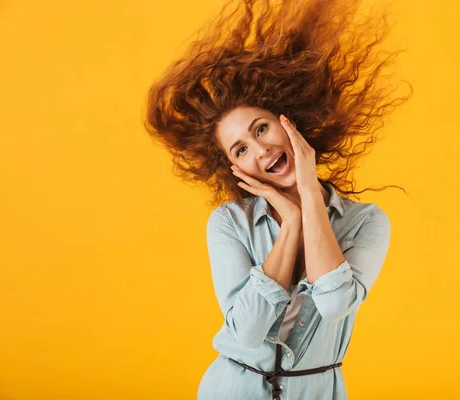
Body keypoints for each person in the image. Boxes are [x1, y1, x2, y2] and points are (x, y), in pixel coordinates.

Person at [143, 0, 410, 398]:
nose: (260, 150)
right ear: (235, 170)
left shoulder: (366, 222)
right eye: (240, 150)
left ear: (289, 121)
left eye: (262, 128)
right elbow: (247, 332)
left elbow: (336, 303)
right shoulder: (230, 223)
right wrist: (291, 225)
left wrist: (308, 195)